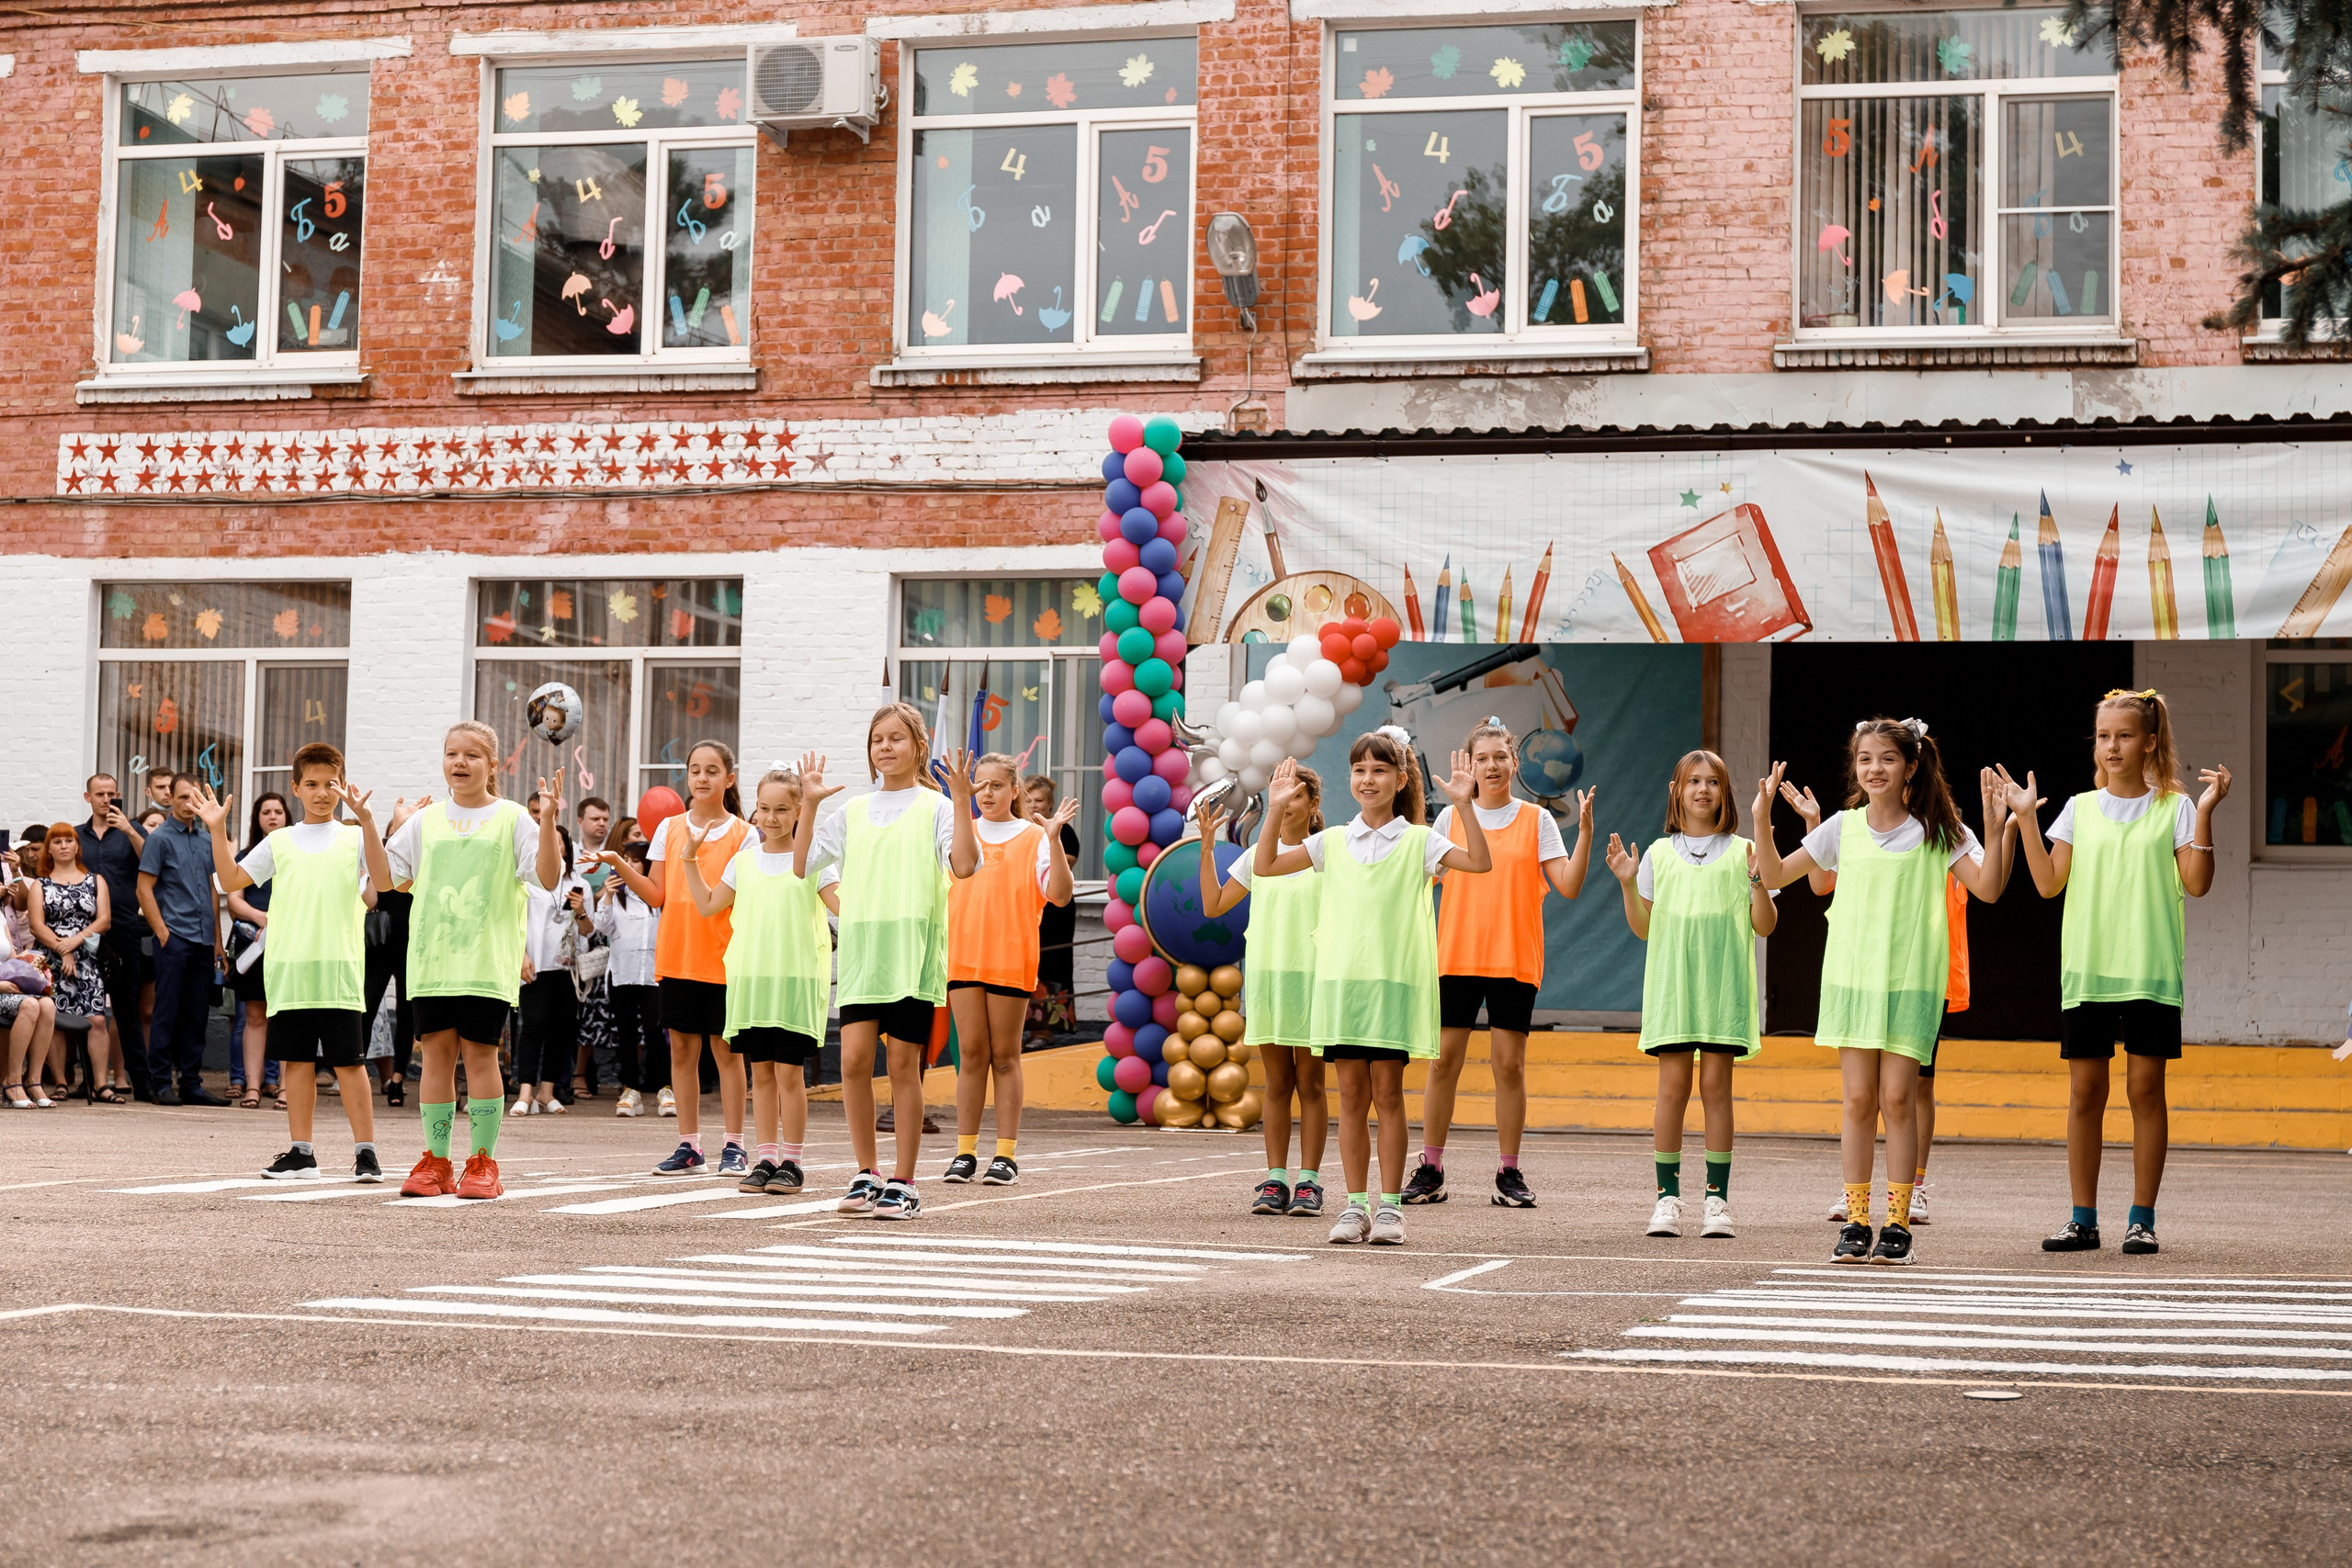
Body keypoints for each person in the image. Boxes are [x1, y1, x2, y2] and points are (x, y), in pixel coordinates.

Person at [1756, 720, 2012, 1266]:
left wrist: (2000, 828)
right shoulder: (1841, 829)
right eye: (1866, 759)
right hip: (1853, 981)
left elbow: (1988, 887)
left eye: (1888, 759)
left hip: (1911, 984)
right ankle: (1855, 1221)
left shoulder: (1939, 830)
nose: (1875, 769)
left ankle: (1896, 1224)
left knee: (1898, 1100)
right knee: (1856, 1101)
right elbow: (1777, 870)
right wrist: (1761, 820)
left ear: (1912, 767)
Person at [2005, 689, 2230, 1257]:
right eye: (2104, 736)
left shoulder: (2175, 808)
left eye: (2125, 736)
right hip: (2090, 971)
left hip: (2150, 972)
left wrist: (2203, 814)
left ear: (2150, 742)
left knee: (2145, 1091)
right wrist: (2027, 820)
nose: (2112, 746)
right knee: (2085, 1094)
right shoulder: (2077, 808)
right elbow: (2047, 883)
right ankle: (2083, 1219)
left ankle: (2141, 1218)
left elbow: (2197, 883)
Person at [1253, 732, 1490, 1247]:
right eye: (1360, 770)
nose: (1369, 780)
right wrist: (1273, 811)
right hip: (1341, 987)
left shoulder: (1420, 840)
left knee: (1388, 1095)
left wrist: (1464, 805)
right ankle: (1355, 1207)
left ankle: (1390, 1209)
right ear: (1350, 779)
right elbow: (1265, 865)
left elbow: (1479, 862)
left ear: (1400, 780)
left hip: (1392, 987)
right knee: (1352, 1099)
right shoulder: (1332, 840)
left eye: (1380, 771)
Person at [1409, 719, 1595, 1210]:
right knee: (1443, 1061)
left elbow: (1569, 885)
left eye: (1499, 757)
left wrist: (1588, 833)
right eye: (1482, 758)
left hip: (1514, 958)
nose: (1491, 766)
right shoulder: (1448, 820)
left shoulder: (1538, 820)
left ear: (1515, 763)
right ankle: (1431, 1169)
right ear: (1468, 765)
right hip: (1456, 957)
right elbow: (1414, 887)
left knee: (1508, 1065)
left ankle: (1508, 1173)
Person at [384, 721, 564, 1200]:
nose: (459, 763)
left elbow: (547, 878)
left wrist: (546, 822)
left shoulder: (512, 818)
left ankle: (483, 1163)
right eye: (451, 754)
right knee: (437, 1057)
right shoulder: (425, 821)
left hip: (485, 961)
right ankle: (436, 1162)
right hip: (432, 960)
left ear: (493, 764)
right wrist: (377, 825)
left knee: (481, 1055)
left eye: (472, 755)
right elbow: (387, 881)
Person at [198, 749, 394, 1181]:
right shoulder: (279, 841)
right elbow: (231, 882)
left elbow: (383, 883)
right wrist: (217, 830)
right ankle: (302, 1154)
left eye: (331, 784)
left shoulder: (354, 836)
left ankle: (366, 1153)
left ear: (343, 785)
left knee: (349, 1063)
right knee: (297, 1062)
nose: (322, 793)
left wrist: (368, 822)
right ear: (296, 788)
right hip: (288, 968)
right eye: (312, 784)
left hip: (339, 968)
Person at [793, 704, 956, 1221]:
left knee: (904, 1067)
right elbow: (802, 865)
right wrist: (809, 807)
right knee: (854, 1063)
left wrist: (966, 804)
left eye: (896, 738)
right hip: (865, 953)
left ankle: (905, 1181)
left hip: (911, 953)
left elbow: (965, 866)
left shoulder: (937, 807)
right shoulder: (852, 812)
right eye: (876, 740)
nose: (885, 747)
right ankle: (867, 1171)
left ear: (918, 747)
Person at [1604, 750, 1777, 1240]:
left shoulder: (1747, 850)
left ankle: (1717, 1202)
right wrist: (1625, 883)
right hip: (1673, 991)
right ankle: (1667, 1200)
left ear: (1725, 793)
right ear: (1677, 792)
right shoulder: (1657, 854)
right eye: (1693, 781)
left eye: (1713, 782)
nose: (1703, 790)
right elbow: (1643, 927)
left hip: (1723, 992)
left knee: (1717, 1091)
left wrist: (1759, 881)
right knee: (1672, 1091)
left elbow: (1764, 925)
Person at [677, 766, 839, 1194]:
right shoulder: (744, 861)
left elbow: (841, 905)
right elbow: (710, 905)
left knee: (789, 1075)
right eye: (764, 808)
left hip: (795, 981)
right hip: (751, 981)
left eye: (782, 809)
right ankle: (766, 1159)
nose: (771, 817)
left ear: (799, 811)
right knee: (761, 1075)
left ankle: (793, 1162)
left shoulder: (815, 858)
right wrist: (689, 859)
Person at [599, 743, 752, 1175]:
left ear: (729, 778)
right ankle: (690, 1146)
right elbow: (656, 893)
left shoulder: (745, 834)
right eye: (694, 770)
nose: (701, 778)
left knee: (727, 1053)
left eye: (711, 770)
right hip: (677, 955)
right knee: (681, 1052)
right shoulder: (669, 828)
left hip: (725, 958)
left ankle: (735, 1145)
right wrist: (619, 864)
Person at [942, 751, 1078, 1186]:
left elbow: (1059, 896)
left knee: (1005, 1057)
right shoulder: (959, 832)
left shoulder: (1033, 836)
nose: (986, 793)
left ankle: (1005, 1155)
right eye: (979, 785)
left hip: (1009, 957)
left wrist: (1054, 839)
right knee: (971, 1056)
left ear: (1014, 790)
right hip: (963, 956)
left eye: (996, 785)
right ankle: (964, 1152)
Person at [1199, 776, 1329, 1218]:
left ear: (1313, 803)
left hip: (1314, 978)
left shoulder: (1327, 852)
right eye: (1280, 794)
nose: (1287, 803)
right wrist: (1206, 848)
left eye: (1296, 795)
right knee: (1277, 1084)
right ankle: (1275, 1180)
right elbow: (1213, 905)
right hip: (1269, 978)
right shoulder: (1257, 855)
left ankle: (1309, 1183)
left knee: (1310, 1084)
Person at [138, 777, 229, 1106]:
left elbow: (212, 890)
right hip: (174, 938)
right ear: (170, 800)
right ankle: (161, 1083)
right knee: (167, 1011)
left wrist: (218, 941)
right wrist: (162, 933)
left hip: (204, 940)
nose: (188, 804)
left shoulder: (206, 840)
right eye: (181, 798)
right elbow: (143, 888)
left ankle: (191, 1083)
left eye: (193, 798)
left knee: (197, 1014)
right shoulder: (159, 839)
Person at [75, 773, 153, 1100]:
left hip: (122, 928)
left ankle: (143, 1083)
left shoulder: (132, 830)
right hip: (82, 931)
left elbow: (152, 861)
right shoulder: (76, 836)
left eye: (111, 794)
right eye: (99, 794)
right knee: (84, 1008)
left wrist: (128, 830)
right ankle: (88, 1081)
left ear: (118, 795)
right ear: (87, 797)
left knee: (127, 1009)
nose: (105, 799)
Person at [28, 824, 117, 1100]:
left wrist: (74, 942)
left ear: (78, 847)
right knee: (53, 1020)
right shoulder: (39, 885)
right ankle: (61, 1082)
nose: (64, 845)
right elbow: (36, 926)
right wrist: (62, 949)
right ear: (49, 849)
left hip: (87, 959)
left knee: (98, 1020)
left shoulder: (95, 881)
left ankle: (100, 1084)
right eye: (58, 842)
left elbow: (104, 920)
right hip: (50, 962)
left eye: (70, 840)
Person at [513, 824, 594, 1115]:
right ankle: (525, 1092)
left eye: (559, 842)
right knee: (532, 1027)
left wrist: (581, 909)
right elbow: (515, 922)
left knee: (561, 1029)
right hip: (535, 964)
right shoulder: (527, 881)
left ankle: (547, 1091)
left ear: (566, 848)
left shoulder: (580, 884)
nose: (554, 847)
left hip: (567, 970)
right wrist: (521, 956)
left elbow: (588, 931)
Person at [223, 792, 289, 1110]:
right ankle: (252, 1087)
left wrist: (283, 922)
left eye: (279, 811)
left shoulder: (297, 853)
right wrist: (263, 918)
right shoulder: (247, 855)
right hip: (254, 940)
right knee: (254, 1015)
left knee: (289, 1016)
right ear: (257, 818)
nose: (273, 816)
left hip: (293, 940)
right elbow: (234, 899)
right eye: (266, 812)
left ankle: (287, 1089)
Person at [596, 839, 663, 1117]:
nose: (628, 865)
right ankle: (630, 1089)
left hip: (652, 973)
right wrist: (608, 897)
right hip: (622, 971)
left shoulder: (657, 897)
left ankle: (663, 1087)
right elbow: (601, 928)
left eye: (635, 860)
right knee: (625, 1034)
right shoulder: (617, 895)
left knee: (655, 1031)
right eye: (625, 859)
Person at [1021, 775, 1081, 1045]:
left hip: (1054, 911)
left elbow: (1064, 864)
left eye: (1039, 801)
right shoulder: (1019, 829)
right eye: (1029, 800)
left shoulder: (1062, 832)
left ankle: (1043, 1030)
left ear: (1050, 805)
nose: (1034, 806)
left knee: (1050, 964)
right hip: (1026, 906)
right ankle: (1028, 1028)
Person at [2, 897, 61, 1108]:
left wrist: (27, 961)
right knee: (29, 1005)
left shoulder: (1, 917)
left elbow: (11, 961)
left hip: (7, 988)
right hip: (1, 989)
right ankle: (12, 1081)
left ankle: (33, 1080)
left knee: (47, 1005)